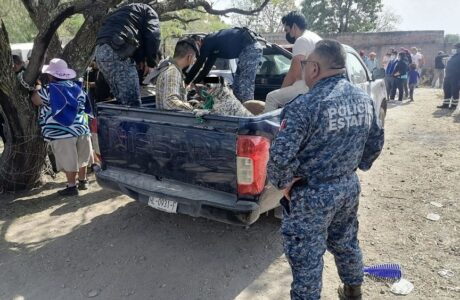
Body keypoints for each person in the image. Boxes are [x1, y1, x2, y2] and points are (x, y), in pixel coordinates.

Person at [267, 39, 384, 300]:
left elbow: (279, 157)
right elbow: (376, 141)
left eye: (306, 64)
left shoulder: (304, 106)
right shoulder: (364, 99)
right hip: (347, 187)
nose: (305, 69)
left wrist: (283, 184)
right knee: (346, 241)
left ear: (315, 69)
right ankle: (353, 290)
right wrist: (357, 165)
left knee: (307, 256)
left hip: (311, 195)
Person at [31, 58, 93, 196]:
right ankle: (83, 181)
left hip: (62, 130)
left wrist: (37, 88)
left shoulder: (49, 89)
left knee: (68, 158)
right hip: (81, 127)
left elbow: (35, 100)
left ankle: (71, 187)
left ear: (51, 75)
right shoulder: (77, 87)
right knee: (82, 156)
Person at [94, 2, 161, 106]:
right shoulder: (149, 11)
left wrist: (140, 59)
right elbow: (153, 37)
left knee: (123, 100)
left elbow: (136, 39)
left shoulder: (123, 12)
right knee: (132, 103)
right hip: (117, 51)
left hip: (100, 51)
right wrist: (151, 63)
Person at [263, 11, 322, 112]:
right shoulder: (314, 37)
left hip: (307, 86)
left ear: (294, 26)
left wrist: (281, 91)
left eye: (287, 30)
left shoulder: (301, 40)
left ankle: (269, 128)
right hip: (319, 85)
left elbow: (294, 73)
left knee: (271, 98)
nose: (287, 34)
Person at [184, 27, 263, 102]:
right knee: (237, 84)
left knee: (245, 84)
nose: (196, 51)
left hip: (250, 48)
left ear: (198, 42)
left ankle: (248, 110)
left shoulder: (207, 41)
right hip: (244, 51)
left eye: (194, 48)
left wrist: (186, 82)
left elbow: (198, 64)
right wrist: (194, 83)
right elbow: (206, 68)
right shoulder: (212, 47)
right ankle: (238, 109)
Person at [155, 38, 200, 111]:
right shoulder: (173, 72)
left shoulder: (173, 69)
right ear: (189, 57)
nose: (194, 60)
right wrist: (193, 108)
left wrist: (191, 103)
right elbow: (170, 103)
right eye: (195, 57)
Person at [438, 43, 460, 109]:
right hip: (448, 76)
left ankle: (454, 105)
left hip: (456, 76)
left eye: (455, 47)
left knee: (455, 90)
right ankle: (445, 104)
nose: (454, 49)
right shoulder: (454, 56)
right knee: (446, 89)